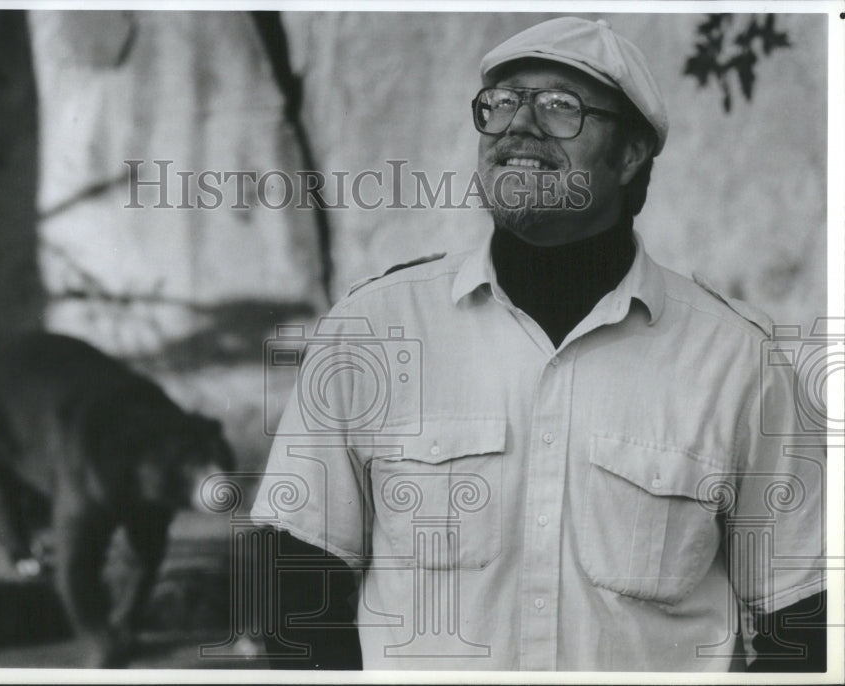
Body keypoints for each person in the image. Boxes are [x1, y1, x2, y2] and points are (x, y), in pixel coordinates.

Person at [249, 16, 826, 671]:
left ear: (631, 153)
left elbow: (804, 621)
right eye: (500, 105)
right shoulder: (373, 332)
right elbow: (295, 585)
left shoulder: (737, 364)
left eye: (560, 106)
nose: (518, 126)